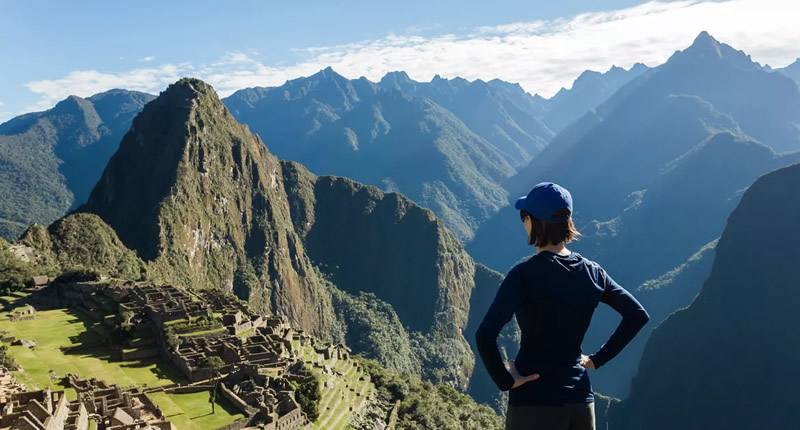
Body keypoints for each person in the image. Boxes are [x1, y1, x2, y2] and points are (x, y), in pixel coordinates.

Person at [475, 182, 650, 430]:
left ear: (535, 222)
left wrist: (506, 380)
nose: (523, 221)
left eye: (525, 215)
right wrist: (597, 360)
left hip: (534, 402)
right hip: (580, 401)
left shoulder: (524, 275)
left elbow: (485, 335)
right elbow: (637, 315)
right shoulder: (593, 272)